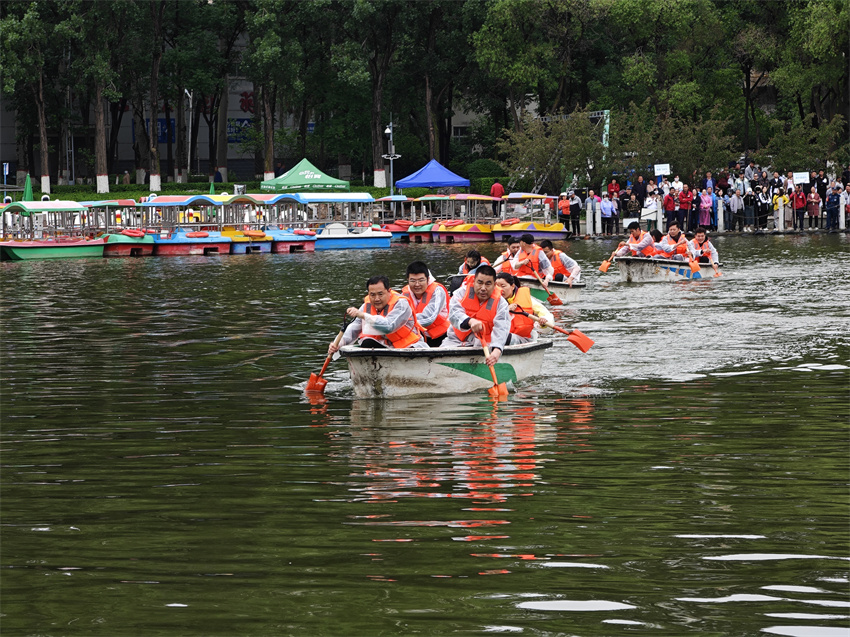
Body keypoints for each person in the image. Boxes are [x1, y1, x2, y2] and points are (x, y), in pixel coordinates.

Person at [329, 275, 427, 353]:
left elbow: (389, 326)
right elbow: (353, 329)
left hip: (409, 347)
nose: (376, 299)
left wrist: (363, 315)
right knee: (366, 342)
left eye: (380, 294)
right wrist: (338, 343)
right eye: (372, 295)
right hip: (382, 346)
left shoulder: (401, 304)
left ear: (389, 291)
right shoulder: (366, 307)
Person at [441, 265, 510, 365]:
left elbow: (502, 328)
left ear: (495, 285)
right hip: (455, 341)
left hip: (485, 347)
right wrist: (470, 321)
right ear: (474, 281)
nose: (483, 288)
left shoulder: (501, 303)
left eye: (488, 284)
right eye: (480, 283)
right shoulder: (461, 293)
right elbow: (454, 314)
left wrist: (497, 350)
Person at [494, 273, 554, 345]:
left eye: (503, 286)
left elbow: (545, 313)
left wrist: (543, 320)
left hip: (523, 339)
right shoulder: (492, 300)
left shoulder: (527, 299)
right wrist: (506, 309)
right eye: (497, 286)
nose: (500, 289)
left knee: (503, 337)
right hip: (500, 337)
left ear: (512, 286)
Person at [401, 261, 450, 347]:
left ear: (428, 279)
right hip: (418, 335)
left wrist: (402, 322)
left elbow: (429, 318)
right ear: (407, 280)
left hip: (441, 336)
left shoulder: (438, 291)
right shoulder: (404, 294)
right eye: (413, 280)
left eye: (421, 280)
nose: (417, 284)